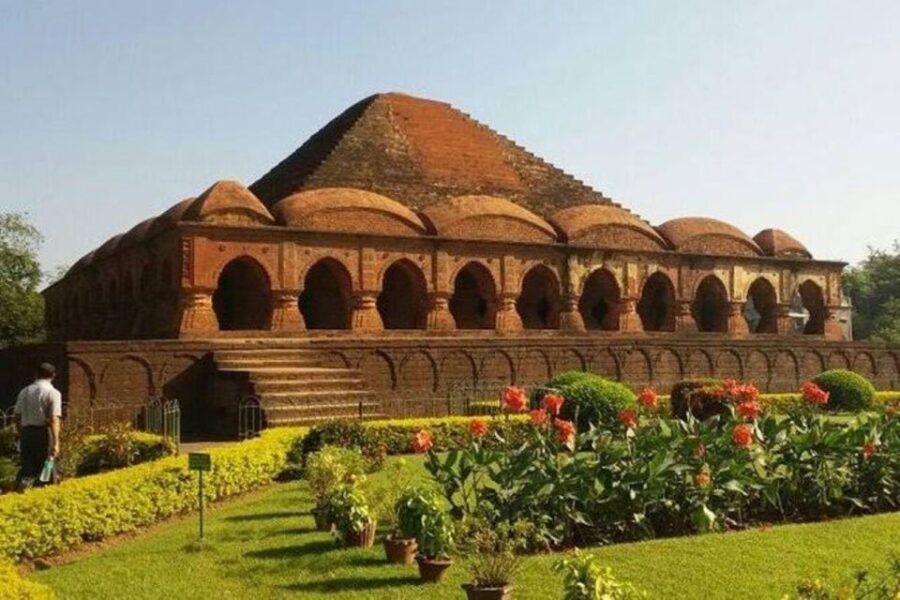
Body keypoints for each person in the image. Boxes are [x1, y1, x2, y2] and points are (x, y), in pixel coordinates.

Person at [13, 362, 62, 488]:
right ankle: (46, 495)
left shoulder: (24, 391)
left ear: (36, 374)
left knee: (27, 470)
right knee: (47, 469)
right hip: (42, 433)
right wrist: (56, 442)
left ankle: (22, 496)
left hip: (26, 433)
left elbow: (17, 416)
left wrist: (20, 433)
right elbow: (54, 418)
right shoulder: (52, 392)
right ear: (53, 375)